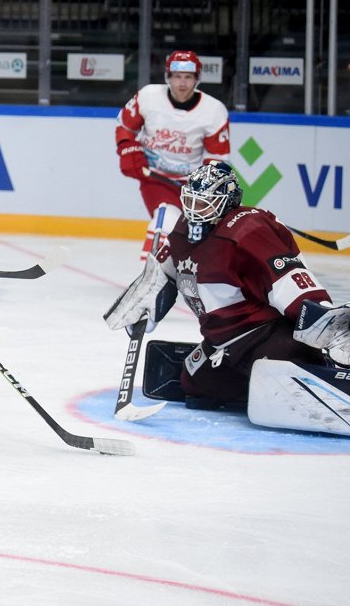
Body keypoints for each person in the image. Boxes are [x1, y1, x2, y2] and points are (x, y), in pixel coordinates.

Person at [104, 162, 350, 414]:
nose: (193, 210)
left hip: (267, 335)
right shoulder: (181, 232)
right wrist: (145, 299)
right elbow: (162, 276)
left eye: (204, 203)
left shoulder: (248, 230)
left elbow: (289, 279)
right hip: (222, 344)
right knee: (195, 385)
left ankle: (325, 368)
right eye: (191, 201)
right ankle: (262, 387)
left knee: (276, 372)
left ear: (227, 201)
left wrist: (328, 324)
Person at [116, 50, 230, 255]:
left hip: (191, 184)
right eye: (177, 77)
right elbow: (125, 126)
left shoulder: (214, 111)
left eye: (188, 77)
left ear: (197, 79)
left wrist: (206, 185)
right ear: (168, 76)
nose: (182, 83)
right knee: (166, 220)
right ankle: (150, 278)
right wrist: (128, 149)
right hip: (155, 179)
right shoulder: (149, 96)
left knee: (198, 238)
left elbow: (218, 157)